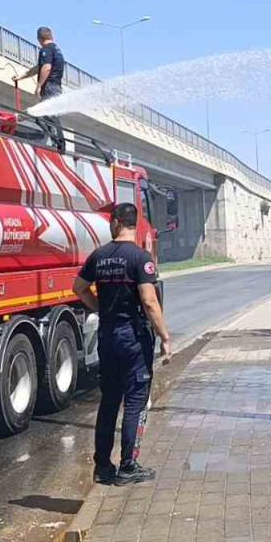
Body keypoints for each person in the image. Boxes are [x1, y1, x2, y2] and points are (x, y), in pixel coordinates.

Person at [73, 203, 172, 484]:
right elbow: (149, 302)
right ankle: (128, 466)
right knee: (135, 401)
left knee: (109, 401)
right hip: (132, 338)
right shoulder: (140, 258)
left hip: (108, 336)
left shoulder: (99, 256)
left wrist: (99, 309)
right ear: (134, 224)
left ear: (116, 222)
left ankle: (103, 467)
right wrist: (165, 337)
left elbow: (78, 288)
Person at [14, 26, 65, 100]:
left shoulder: (46, 49)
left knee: (48, 110)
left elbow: (46, 68)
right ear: (51, 36)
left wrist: (39, 86)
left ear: (39, 39)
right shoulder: (56, 50)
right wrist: (20, 77)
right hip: (57, 87)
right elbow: (38, 68)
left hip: (49, 87)